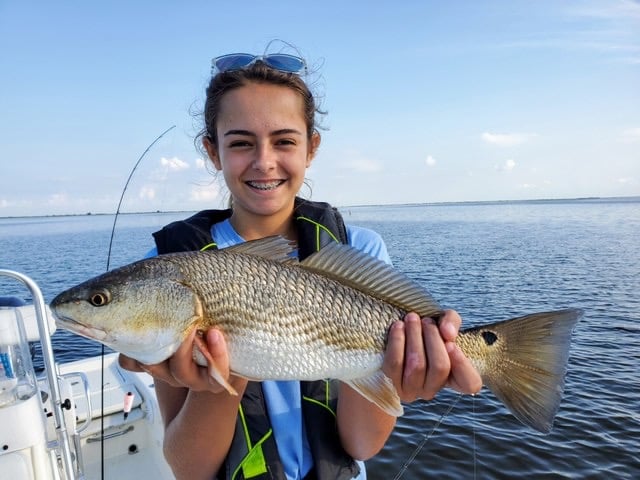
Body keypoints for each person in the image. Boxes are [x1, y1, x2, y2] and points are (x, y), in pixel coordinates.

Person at [120, 51, 482, 480]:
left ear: (312, 148)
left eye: (284, 140)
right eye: (239, 142)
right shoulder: (169, 267)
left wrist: (401, 375)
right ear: (212, 151)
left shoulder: (360, 248)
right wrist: (219, 376)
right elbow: (190, 469)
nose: (264, 161)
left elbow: (361, 445)